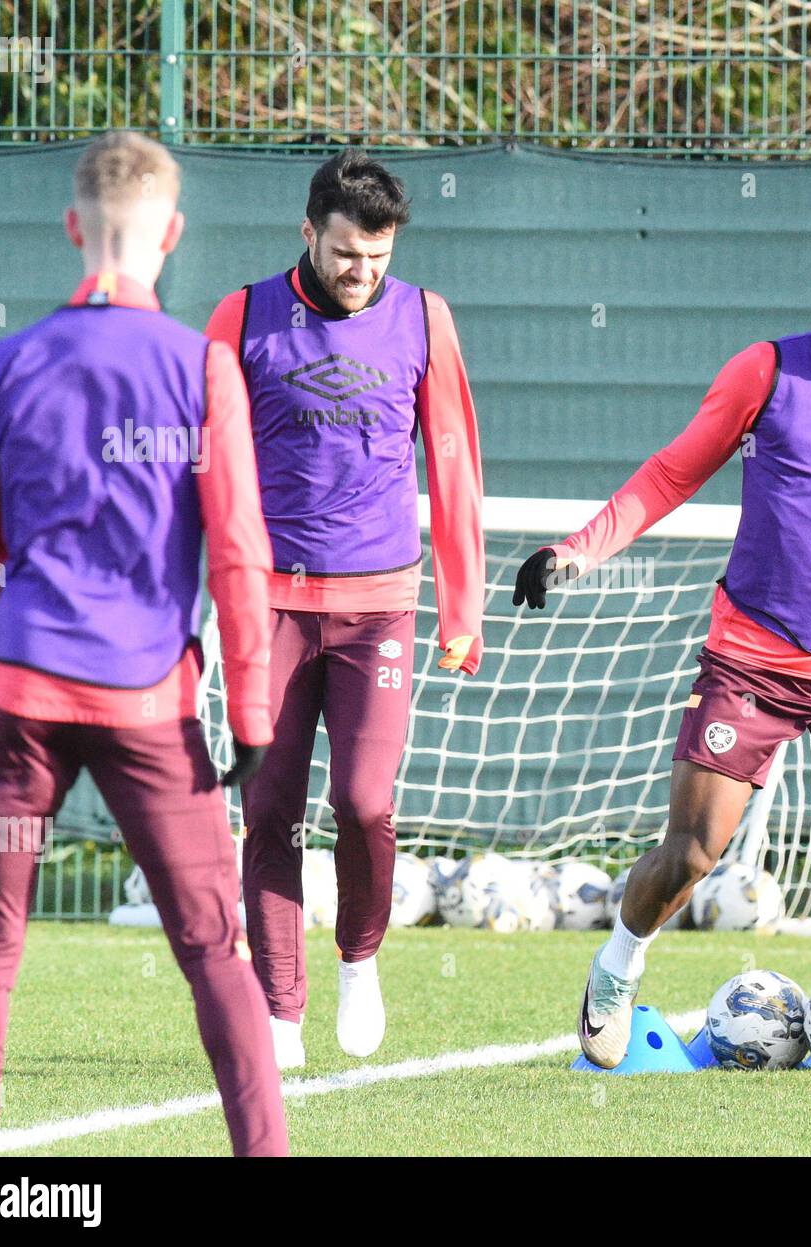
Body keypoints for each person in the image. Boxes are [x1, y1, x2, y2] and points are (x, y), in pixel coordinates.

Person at [514, 206, 811, 1092]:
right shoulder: (767, 370)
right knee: (694, 852)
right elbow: (671, 472)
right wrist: (577, 549)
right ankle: (616, 974)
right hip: (753, 660)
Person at [0, 131, 288, 1154]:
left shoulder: (9, 359)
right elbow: (239, 555)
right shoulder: (200, 367)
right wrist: (259, 714)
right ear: (173, 234)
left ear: (71, 228)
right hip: (149, 705)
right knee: (216, 952)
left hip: (16, 696)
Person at [205, 150, 485, 1069]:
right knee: (271, 807)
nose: (362, 273)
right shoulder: (242, 317)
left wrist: (464, 604)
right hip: (269, 610)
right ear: (307, 235)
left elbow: (451, 460)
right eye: (343, 254)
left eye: (378, 255)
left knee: (364, 802)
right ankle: (280, 1008)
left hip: (380, 610)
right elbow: (201, 470)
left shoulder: (424, 317)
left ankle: (359, 958)